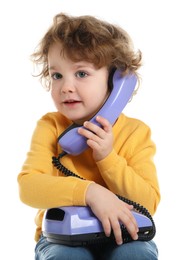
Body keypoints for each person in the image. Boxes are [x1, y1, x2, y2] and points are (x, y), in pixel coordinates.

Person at [17, 12, 160, 260]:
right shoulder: (50, 127)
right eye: (56, 75)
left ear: (117, 82)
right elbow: (28, 188)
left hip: (125, 235)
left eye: (81, 73)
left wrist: (107, 157)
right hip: (64, 240)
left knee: (135, 254)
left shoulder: (136, 132)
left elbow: (147, 205)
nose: (66, 87)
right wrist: (91, 192)